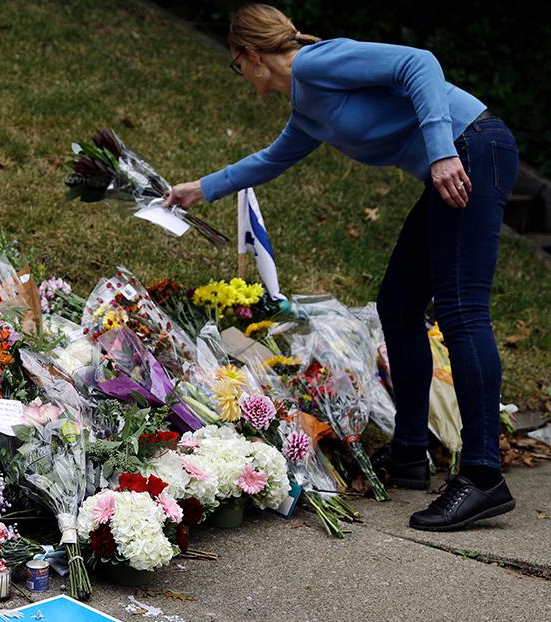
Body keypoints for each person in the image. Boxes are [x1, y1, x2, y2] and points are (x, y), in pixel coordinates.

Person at [164, 4, 519, 531]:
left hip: (473, 148)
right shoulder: (308, 106)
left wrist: (442, 151)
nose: (242, 76)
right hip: (455, 159)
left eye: (237, 66)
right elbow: (272, 158)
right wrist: (201, 188)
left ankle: (483, 475)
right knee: (399, 305)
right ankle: (410, 453)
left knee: (462, 311)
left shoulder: (316, 62)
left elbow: (419, 63)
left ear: (252, 55)